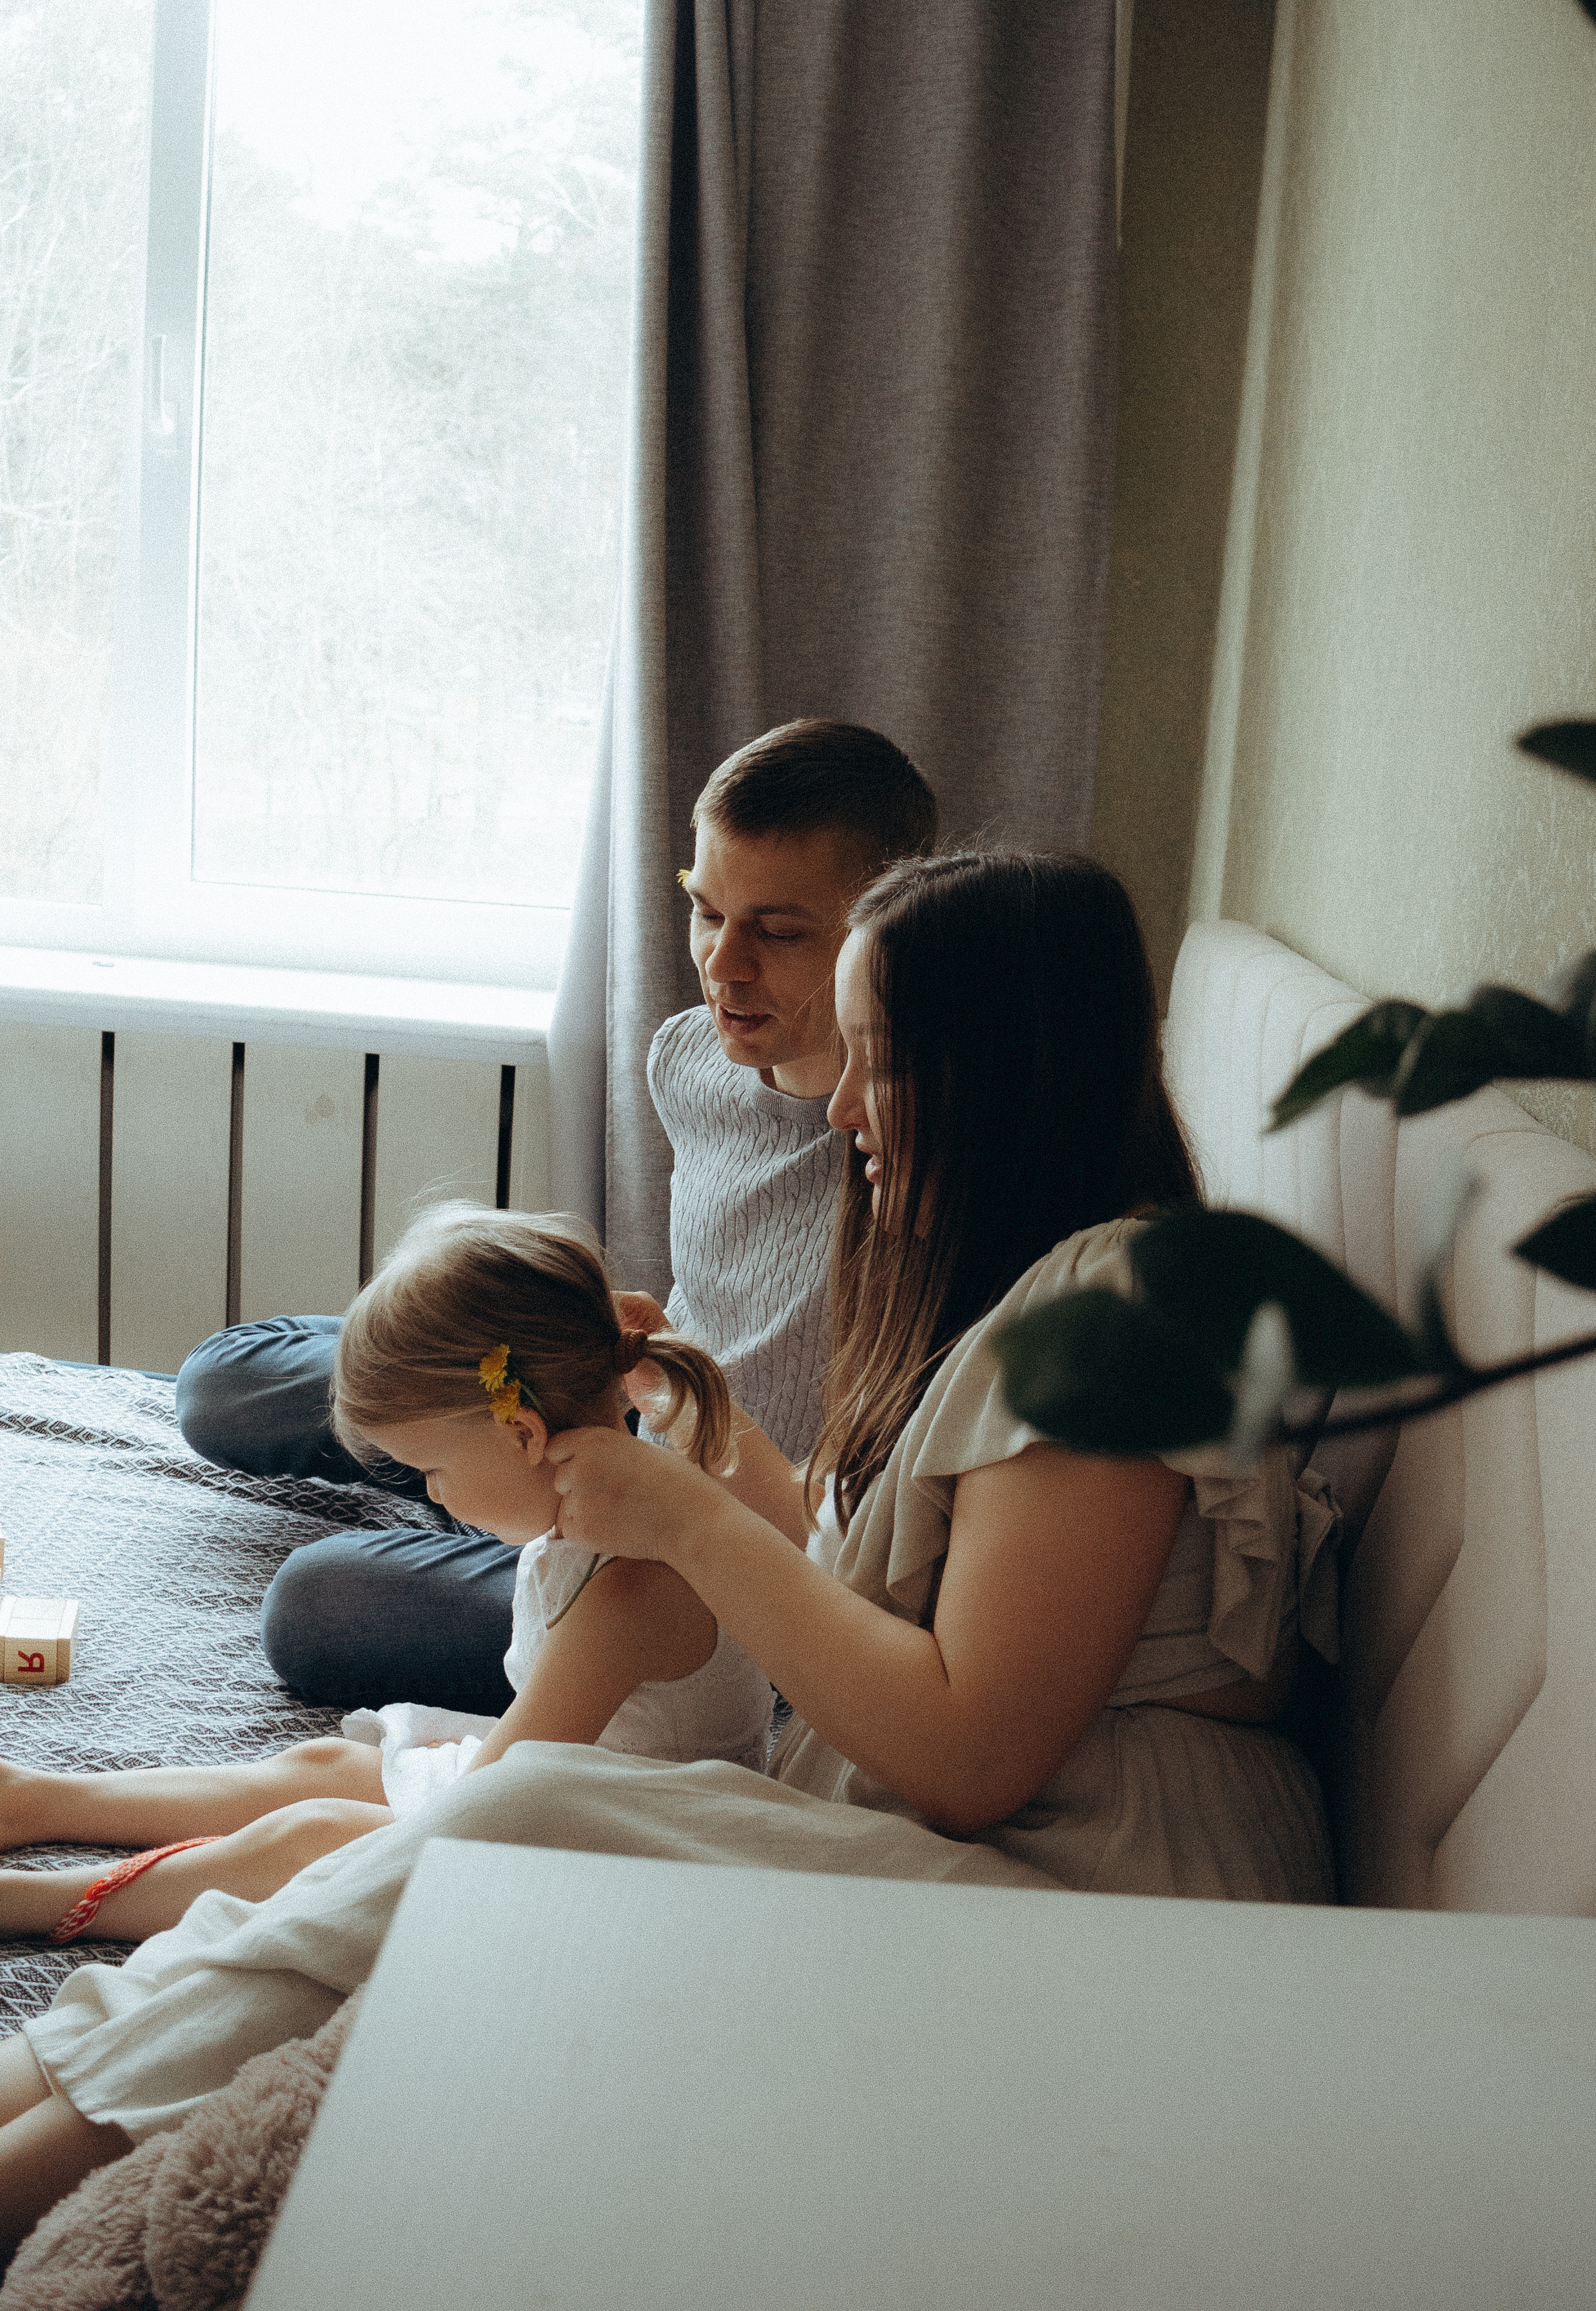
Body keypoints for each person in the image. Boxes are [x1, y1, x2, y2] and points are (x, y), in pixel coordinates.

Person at [0, 851, 1339, 2256]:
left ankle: (49, 2115)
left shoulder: (1115, 1308)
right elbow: (854, 1583)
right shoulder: (1023, 1302)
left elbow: (971, 1752)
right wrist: (697, 1445)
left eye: (877, 1056)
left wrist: (683, 1517)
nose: (839, 1105)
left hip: (1121, 1926)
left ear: (1000, 1066)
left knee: (512, 1813)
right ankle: (54, 2076)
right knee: (444, 1816)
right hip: (1022, 1877)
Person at [175, 719, 936, 1716]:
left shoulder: (911, 1159)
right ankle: (475, 1487)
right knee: (223, 1380)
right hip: (621, 1390)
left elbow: (834, 1536)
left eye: (779, 931)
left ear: (883, 935)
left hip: (688, 1513)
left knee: (317, 1604)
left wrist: (639, 1459)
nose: (723, 966)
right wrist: (614, 1344)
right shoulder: (689, 1058)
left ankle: (483, 1502)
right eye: (706, 912)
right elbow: (735, 1294)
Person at [0, 1208, 773, 1954]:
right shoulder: (590, 1530)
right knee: (322, 1768)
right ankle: (39, 1798)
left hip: (631, 1852)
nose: (430, 1495)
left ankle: (45, 1899)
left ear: (523, 1434)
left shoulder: (627, 1591)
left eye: (432, 1471)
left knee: (310, 1839)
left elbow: (490, 1807)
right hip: (570, 1790)